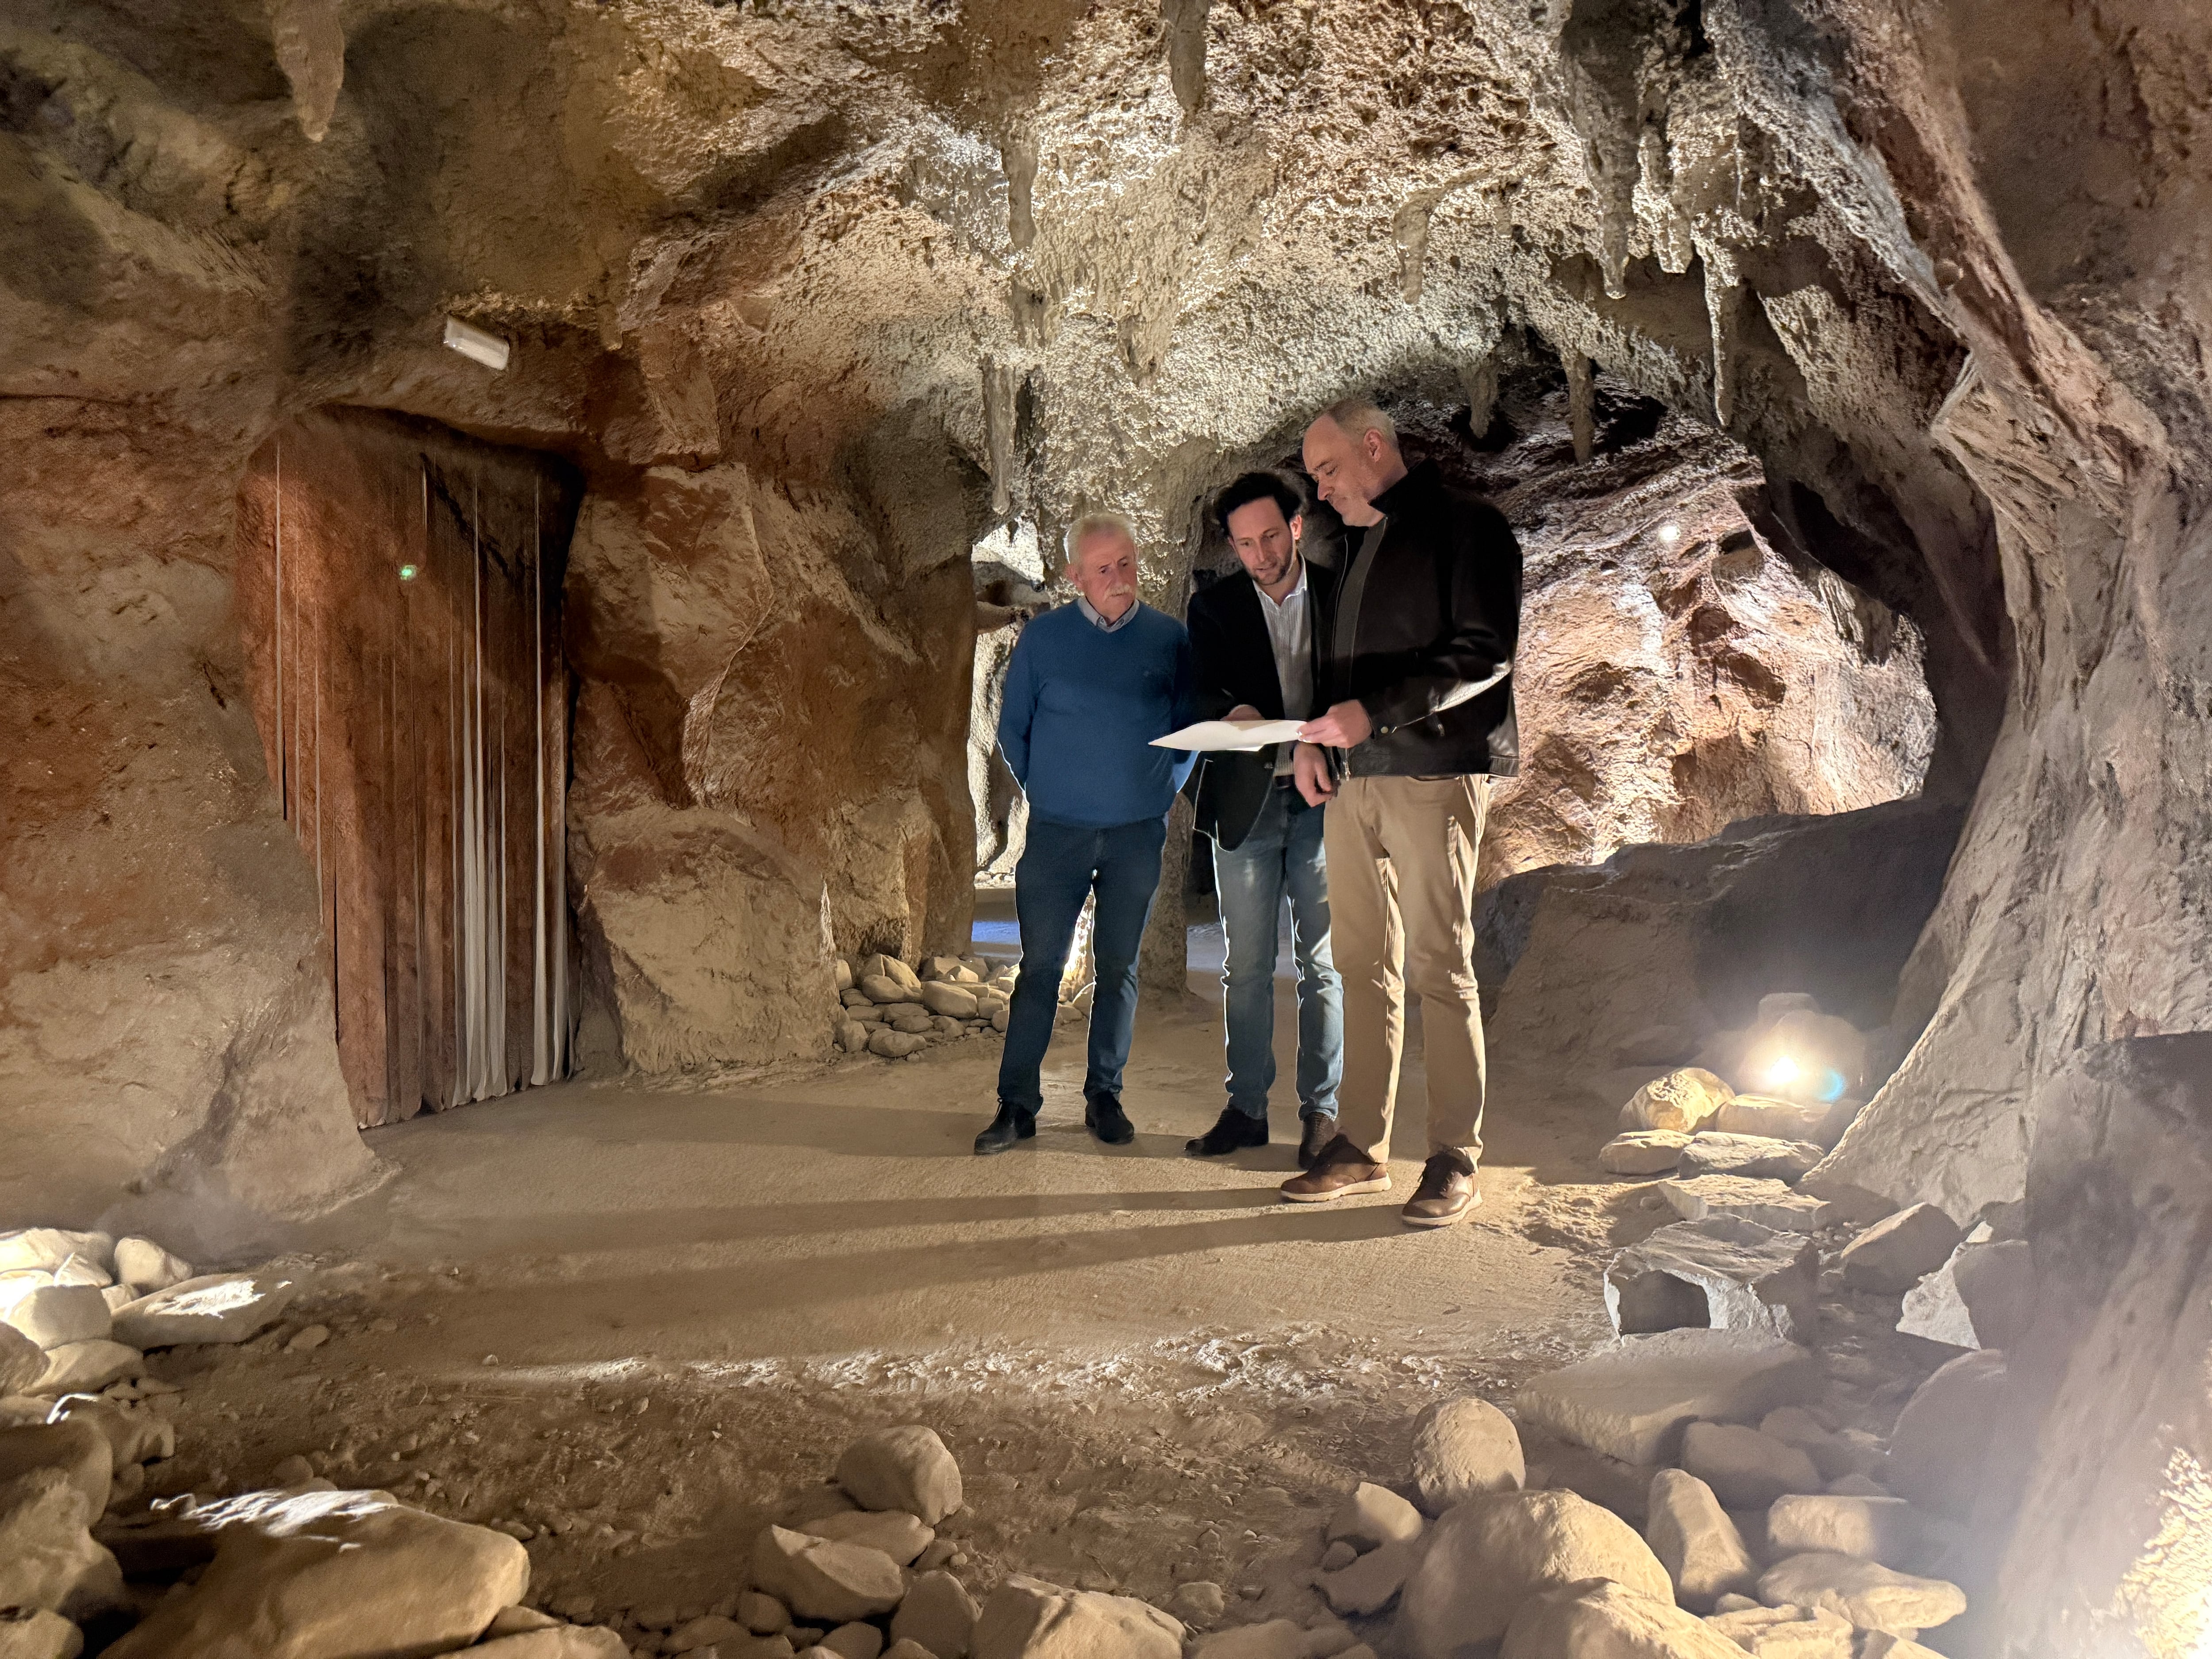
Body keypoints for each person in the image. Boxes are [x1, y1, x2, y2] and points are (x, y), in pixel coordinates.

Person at [1278, 396, 1521, 1227]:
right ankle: (1361, 1143)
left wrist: (1374, 715)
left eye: (1330, 470)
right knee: (1358, 959)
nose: (1320, 491)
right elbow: (1332, 663)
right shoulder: (1346, 549)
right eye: (1314, 477)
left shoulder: (1469, 527)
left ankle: (1455, 1156)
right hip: (1352, 782)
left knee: (1438, 964)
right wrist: (1313, 739)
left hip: (1433, 773)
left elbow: (1484, 653)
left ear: (1374, 446)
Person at [976, 512, 1195, 1155]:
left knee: (1120, 966)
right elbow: (1012, 729)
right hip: (1058, 834)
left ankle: (1105, 1095)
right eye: (1103, 569)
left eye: (1126, 564)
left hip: (1135, 833)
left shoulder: (1168, 640)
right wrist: (1049, 793)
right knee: (1041, 967)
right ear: (1074, 576)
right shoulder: (1043, 641)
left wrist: (1159, 795)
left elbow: (1189, 733)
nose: (1120, 578)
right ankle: (1016, 1104)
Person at [1183, 471, 1344, 1170]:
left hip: (1324, 798)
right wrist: (1231, 711)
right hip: (1247, 802)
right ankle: (1246, 1107)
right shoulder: (1213, 607)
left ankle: (1322, 1114)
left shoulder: (1341, 594)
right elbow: (1197, 685)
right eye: (1246, 544)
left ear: (1298, 526)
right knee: (1243, 966)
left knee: (1322, 962)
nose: (1262, 555)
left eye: (1271, 537)